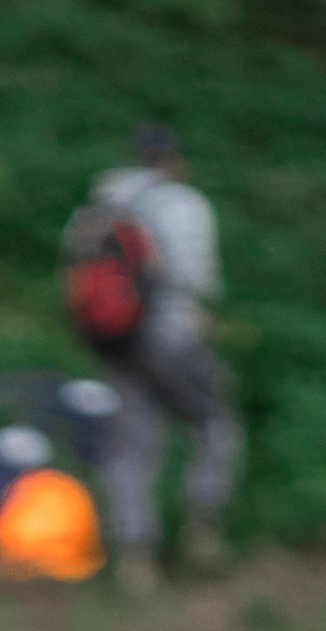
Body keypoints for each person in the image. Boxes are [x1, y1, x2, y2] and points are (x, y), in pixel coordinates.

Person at [75, 123, 243, 593]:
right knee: (214, 420)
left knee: (132, 443)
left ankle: (135, 560)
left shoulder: (101, 206)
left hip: (113, 340)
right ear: (173, 159)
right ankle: (204, 527)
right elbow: (197, 278)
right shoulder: (183, 204)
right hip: (171, 334)